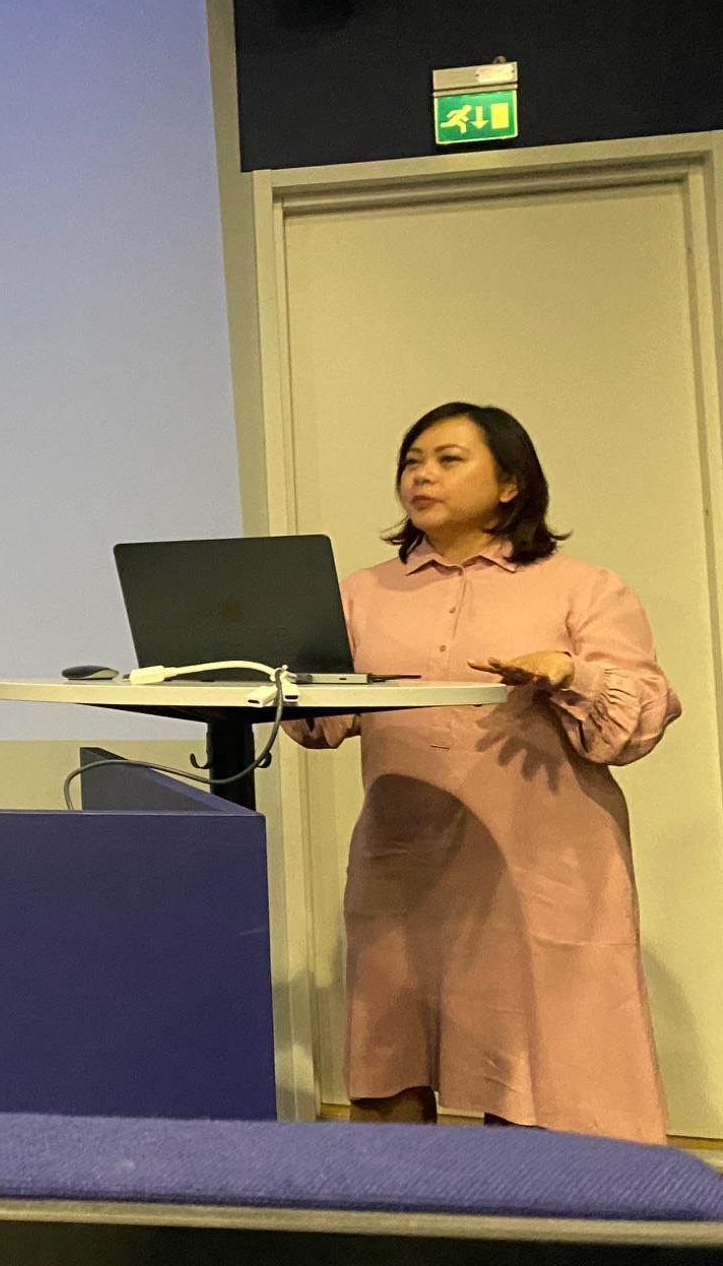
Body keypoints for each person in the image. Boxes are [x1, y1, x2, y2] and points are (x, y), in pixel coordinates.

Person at [291, 401, 680, 1141]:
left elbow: (638, 722)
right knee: (393, 1044)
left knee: (543, 1061)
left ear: (510, 483)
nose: (421, 476)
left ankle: (548, 1206)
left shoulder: (582, 588)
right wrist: (280, 678)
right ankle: (394, 1207)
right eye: (412, 461)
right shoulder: (362, 592)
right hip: (406, 858)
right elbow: (321, 725)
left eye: (447, 460)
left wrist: (570, 673)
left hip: (542, 862)